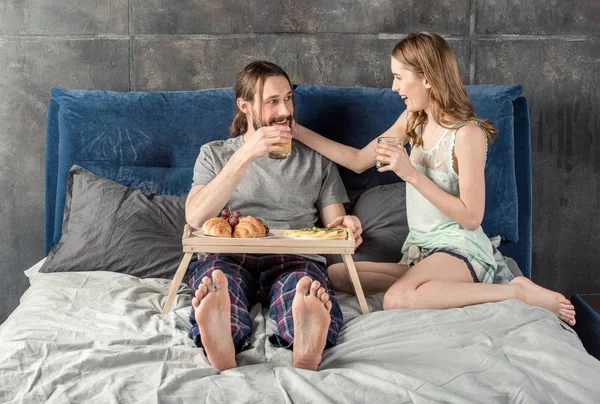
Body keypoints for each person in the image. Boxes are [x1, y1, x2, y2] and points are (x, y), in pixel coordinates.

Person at [293, 32, 576, 326]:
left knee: (396, 299)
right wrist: (297, 131)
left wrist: (411, 174)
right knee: (338, 274)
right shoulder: (413, 118)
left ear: (427, 79)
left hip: (458, 248)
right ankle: (431, 286)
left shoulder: (467, 134)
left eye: (399, 78)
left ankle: (513, 291)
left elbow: (471, 217)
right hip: (421, 251)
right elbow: (357, 160)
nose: (394, 87)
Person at [185, 60, 363, 372]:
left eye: (288, 98)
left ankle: (306, 340)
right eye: (272, 102)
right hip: (228, 256)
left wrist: (347, 225)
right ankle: (221, 338)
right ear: (245, 107)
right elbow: (196, 217)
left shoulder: (317, 160)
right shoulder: (215, 154)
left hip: (293, 256)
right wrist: (246, 155)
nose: (285, 111)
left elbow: (335, 225)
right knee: (218, 282)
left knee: (302, 285)